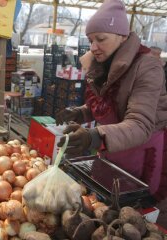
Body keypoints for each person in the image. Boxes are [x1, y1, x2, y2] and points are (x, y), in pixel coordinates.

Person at [53, 0, 167, 228]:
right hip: (112, 148)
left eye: (101, 39)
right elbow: (108, 108)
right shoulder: (104, 65)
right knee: (108, 208)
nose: (93, 46)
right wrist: (79, 113)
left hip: (142, 152)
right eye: (90, 40)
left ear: (122, 36)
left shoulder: (147, 67)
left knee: (134, 215)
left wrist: (94, 136)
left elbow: (139, 123)